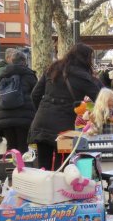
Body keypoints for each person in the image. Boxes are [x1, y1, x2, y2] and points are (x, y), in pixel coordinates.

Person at [28, 43, 100, 171]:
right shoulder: (82, 76)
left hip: (41, 123)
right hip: (63, 130)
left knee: (43, 168)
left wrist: (41, 111)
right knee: (62, 168)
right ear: (85, 58)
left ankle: (43, 190)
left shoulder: (53, 68)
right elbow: (101, 98)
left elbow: (35, 95)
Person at [0, 51, 38, 154]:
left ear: (11, 61)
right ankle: (21, 168)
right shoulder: (29, 75)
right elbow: (36, 95)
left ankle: (10, 168)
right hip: (24, 117)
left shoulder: (2, 75)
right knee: (23, 146)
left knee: (11, 146)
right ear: (24, 61)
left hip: (3, 117)